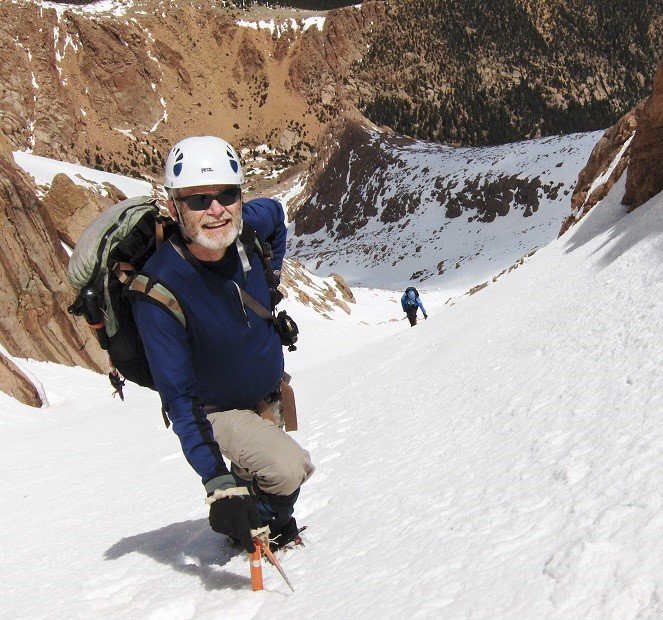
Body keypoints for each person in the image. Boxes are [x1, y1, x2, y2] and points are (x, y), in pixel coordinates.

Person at [132, 135, 314, 554]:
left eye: (226, 195)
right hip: (214, 411)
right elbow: (179, 399)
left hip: (263, 394)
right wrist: (216, 482)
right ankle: (257, 529)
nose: (216, 210)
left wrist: (271, 283)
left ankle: (253, 503)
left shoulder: (248, 229)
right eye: (197, 200)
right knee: (288, 469)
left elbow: (276, 214)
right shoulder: (159, 290)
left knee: (259, 469)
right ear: (175, 206)